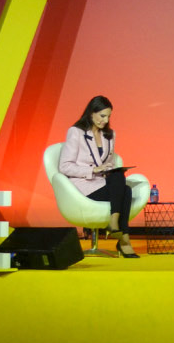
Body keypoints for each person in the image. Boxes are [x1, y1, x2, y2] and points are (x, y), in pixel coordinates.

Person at [58, 95, 140, 258]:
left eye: (108, 116)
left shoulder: (110, 134)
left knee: (118, 176)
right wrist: (94, 170)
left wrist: (108, 168)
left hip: (103, 182)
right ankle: (123, 239)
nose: (105, 120)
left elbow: (108, 162)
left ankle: (115, 224)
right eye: (102, 116)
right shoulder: (76, 132)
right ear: (91, 113)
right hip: (84, 185)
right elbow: (64, 166)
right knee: (126, 191)